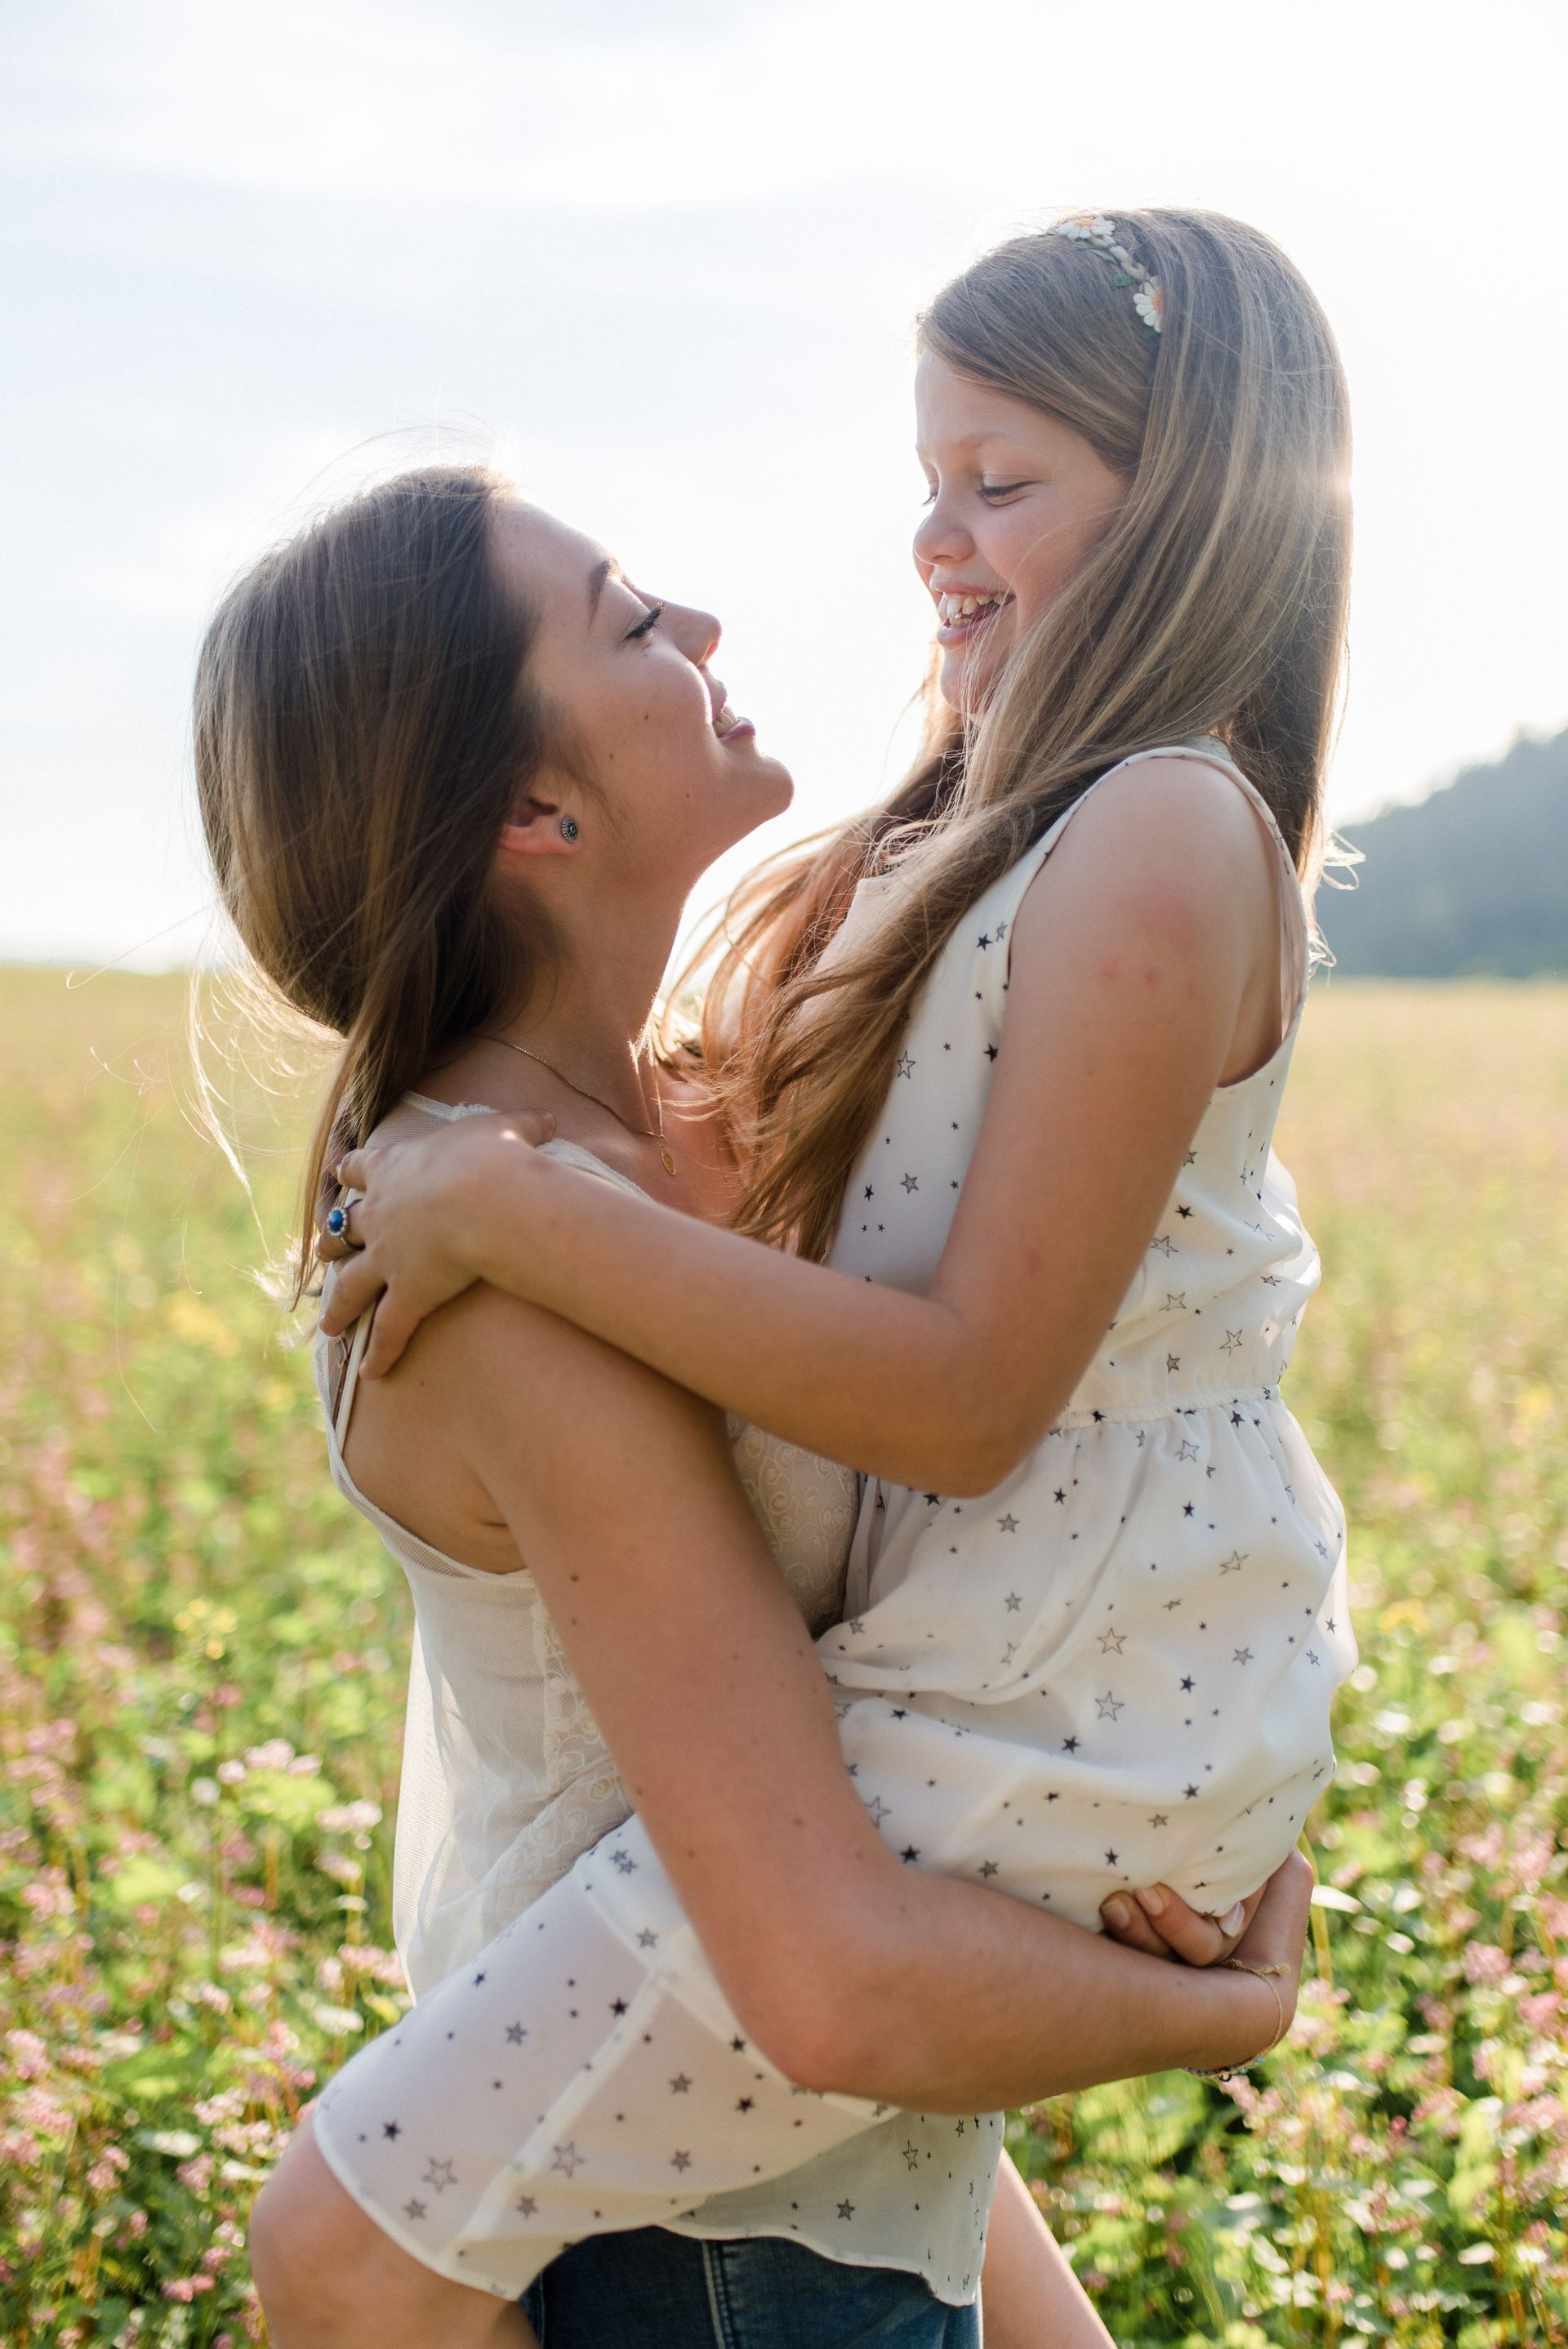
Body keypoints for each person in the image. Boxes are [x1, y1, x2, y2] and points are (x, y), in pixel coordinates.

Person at [303, 206, 1357, 2329]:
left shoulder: (1159, 824)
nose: (934, 541)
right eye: (927, 483)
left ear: (1201, 509)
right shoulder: (990, 835)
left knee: (346, 2222)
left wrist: (523, 1209)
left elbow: (966, 1393)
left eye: (1003, 483)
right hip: (1032, 1657)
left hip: (1049, 1663)